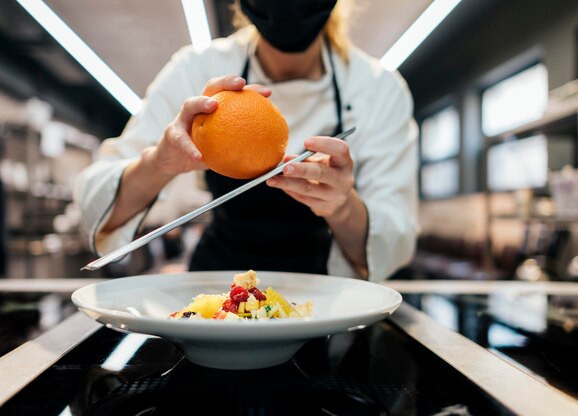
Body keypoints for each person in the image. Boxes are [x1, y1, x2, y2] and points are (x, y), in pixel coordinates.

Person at [74, 0, 419, 281]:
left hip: (324, 304)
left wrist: (343, 207)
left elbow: (394, 243)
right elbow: (93, 206)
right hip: (215, 295)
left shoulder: (378, 88)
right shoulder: (196, 69)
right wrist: (158, 163)